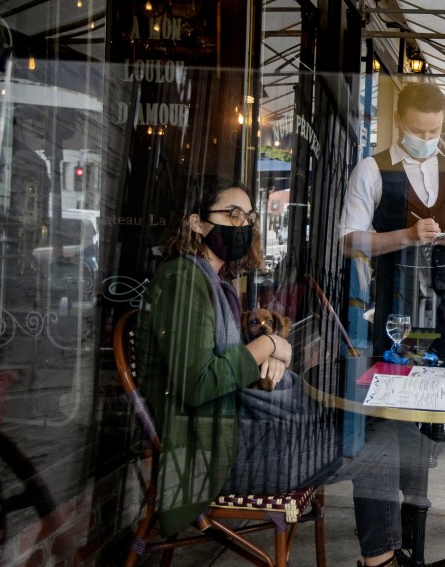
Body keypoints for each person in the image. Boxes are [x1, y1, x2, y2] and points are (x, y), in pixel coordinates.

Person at [137, 176, 405, 567]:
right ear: (196, 223)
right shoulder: (183, 281)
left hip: (236, 434)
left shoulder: (211, 280)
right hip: (215, 456)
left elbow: (224, 363)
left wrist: (271, 355)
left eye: (248, 216)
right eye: (232, 214)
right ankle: (383, 563)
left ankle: (382, 559)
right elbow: (197, 384)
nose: (243, 225)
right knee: (378, 442)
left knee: (374, 427)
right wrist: (268, 344)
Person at [340, 81, 445, 363]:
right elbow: (348, 242)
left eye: (433, 131)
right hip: (399, 310)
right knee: (395, 395)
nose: (426, 138)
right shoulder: (372, 170)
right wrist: (408, 236)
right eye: (416, 131)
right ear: (398, 121)